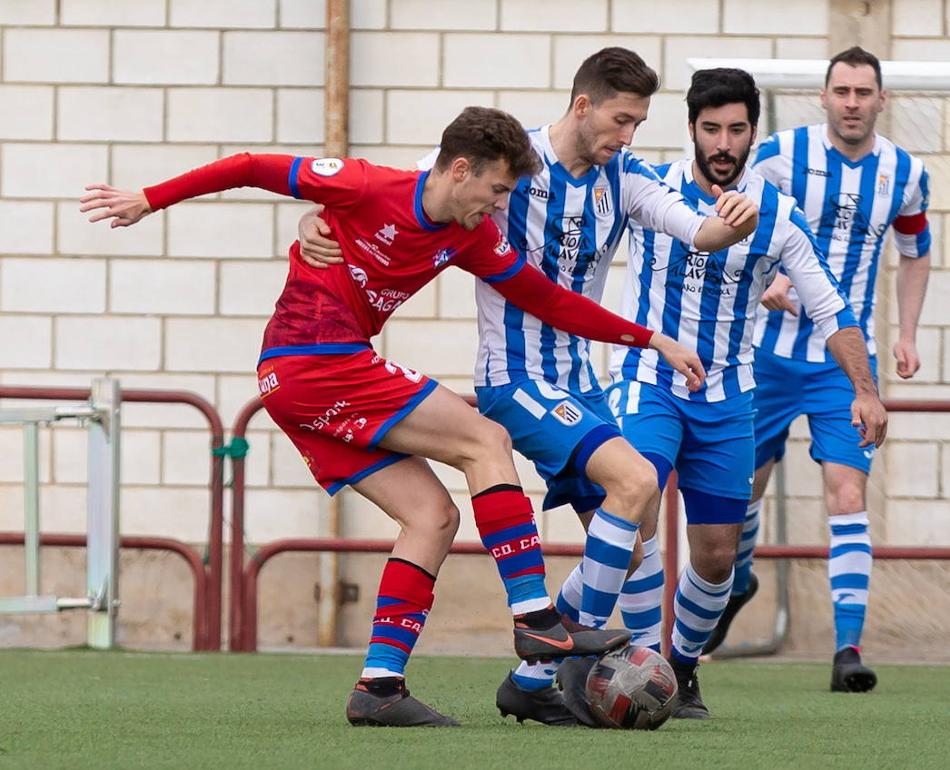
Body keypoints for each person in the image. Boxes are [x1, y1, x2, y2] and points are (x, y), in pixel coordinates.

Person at [78, 106, 709, 727]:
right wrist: (148, 199)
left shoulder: (471, 236)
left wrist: (650, 340)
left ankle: (379, 686)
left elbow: (549, 301)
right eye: (494, 191)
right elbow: (249, 166)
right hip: (316, 362)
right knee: (486, 439)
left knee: (431, 517)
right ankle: (534, 618)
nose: (497, 206)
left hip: (298, 383)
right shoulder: (363, 184)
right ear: (459, 170)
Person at [297, 47, 759, 727]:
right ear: (584, 106)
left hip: (583, 384)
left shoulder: (624, 179)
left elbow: (692, 226)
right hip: (516, 378)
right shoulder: (509, 163)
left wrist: (730, 226)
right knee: (635, 483)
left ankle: (533, 676)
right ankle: (556, 653)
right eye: (622, 120)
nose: (628, 137)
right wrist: (315, 220)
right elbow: (404, 192)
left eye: (638, 124)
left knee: (630, 540)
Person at [553, 67, 885, 722]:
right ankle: (607, 650)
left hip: (731, 396)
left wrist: (866, 390)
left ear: (753, 132)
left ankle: (677, 667)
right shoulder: (650, 188)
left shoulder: (779, 214)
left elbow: (831, 308)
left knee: (716, 557)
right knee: (638, 506)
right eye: (712, 130)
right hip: (650, 384)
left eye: (736, 129)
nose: (724, 143)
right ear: (693, 131)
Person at [705, 46, 932, 695]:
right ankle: (736, 580)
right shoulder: (777, 155)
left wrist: (908, 332)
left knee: (848, 494)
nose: (853, 102)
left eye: (865, 92)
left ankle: (848, 650)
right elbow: (723, 214)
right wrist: (765, 275)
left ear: (882, 100)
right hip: (766, 354)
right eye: (843, 91)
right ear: (825, 97)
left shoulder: (905, 173)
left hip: (843, 362)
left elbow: (916, 253)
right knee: (740, 492)